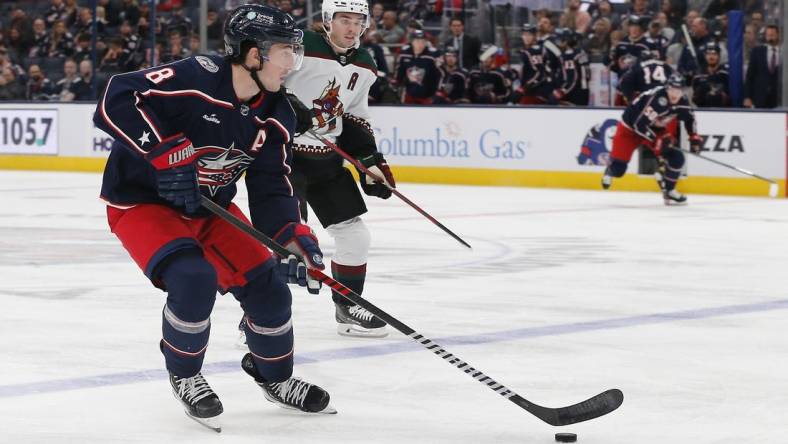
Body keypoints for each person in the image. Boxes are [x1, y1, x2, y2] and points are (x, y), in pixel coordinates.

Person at [93, 4, 335, 432]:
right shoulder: (197, 77)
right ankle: (184, 373)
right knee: (192, 278)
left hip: (210, 207)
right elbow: (116, 95)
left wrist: (293, 237)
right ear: (252, 53)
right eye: (284, 52)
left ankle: (275, 378)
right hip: (142, 203)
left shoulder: (276, 113)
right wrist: (163, 153)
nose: (291, 64)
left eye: (294, 53)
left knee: (270, 288)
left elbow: (271, 189)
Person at [282, 0, 395, 338]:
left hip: (327, 163)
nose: (351, 27)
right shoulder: (300, 44)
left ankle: (347, 305)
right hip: (286, 159)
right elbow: (263, 82)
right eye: (344, 19)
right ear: (328, 20)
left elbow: (355, 115)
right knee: (287, 241)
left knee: (355, 235)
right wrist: (285, 105)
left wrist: (369, 160)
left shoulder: (365, 63)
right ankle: (259, 316)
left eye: (358, 21)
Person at [601, 74, 702, 205]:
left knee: (677, 157)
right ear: (666, 88)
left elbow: (689, 119)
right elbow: (639, 125)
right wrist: (657, 140)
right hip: (629, 129)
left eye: (678, 90)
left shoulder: (682, 101)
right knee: (619, 170)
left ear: (683, 90)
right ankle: (610, 169)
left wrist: (694, 137)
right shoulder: (657, 100)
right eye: (672, 89)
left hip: (654, 128)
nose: (675, 94)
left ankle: (669, 191)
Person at [395, 29, 442, 104]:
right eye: (417, 41)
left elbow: (441, 74)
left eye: (423, 41)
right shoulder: (404, 54)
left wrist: (438, 91)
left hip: (428, 96)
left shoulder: (433, 55)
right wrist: (396, 82)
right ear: (412, 41)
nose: (420, 44)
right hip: (409, 95)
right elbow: (399, 73)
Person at [744, 24, 780, 109]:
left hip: (779, 98)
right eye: (768, 35)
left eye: (772, 35)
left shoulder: (784, 52)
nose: (770, 38)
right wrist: (747, 97)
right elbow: (749, 76)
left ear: (778, 35)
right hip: (759, 97)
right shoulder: (757, 51)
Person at [553, 28, 590, 106]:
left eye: (559, 40)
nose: (557, 43)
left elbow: (573, 78)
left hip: (574, 94)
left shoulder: (568, 56)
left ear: (566, 41)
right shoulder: (581, 52)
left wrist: (562, 91)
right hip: (583, 91)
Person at [691, 42, 729, 107]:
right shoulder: (698, 75)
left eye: (714, 54)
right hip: (703, 111)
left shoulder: (726, 73)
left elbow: (731, 96)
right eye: (708, 54)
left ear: (719, 55)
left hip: (723, 111)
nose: (711, 57)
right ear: (705, 56)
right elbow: (695, 98)